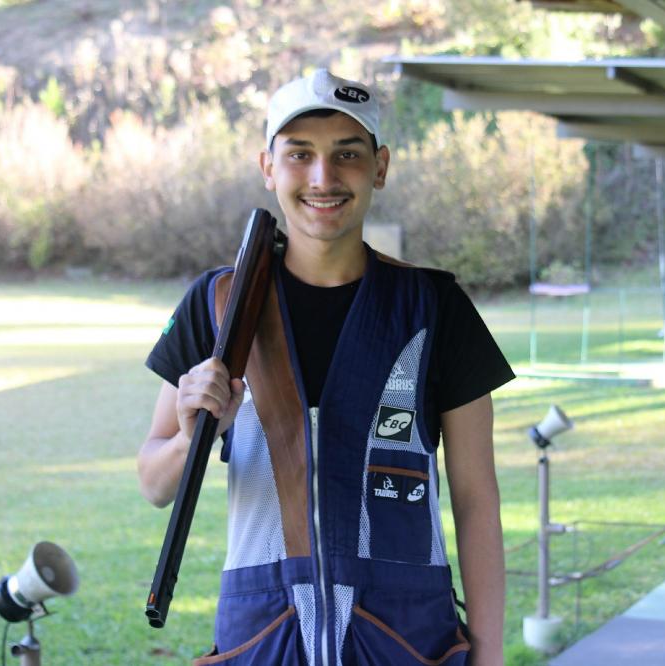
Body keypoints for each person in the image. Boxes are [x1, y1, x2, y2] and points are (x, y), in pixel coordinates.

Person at [137, 69, 514, 666]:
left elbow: (476, 499)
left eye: (347, 154)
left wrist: (488, 656)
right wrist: (191, 436)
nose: (323, 177)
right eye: (299, 154)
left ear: (380, 167)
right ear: (268, 167)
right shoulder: (219, 307)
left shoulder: (435, 307)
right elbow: (155, 484)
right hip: (264, 633)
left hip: (406, 637)